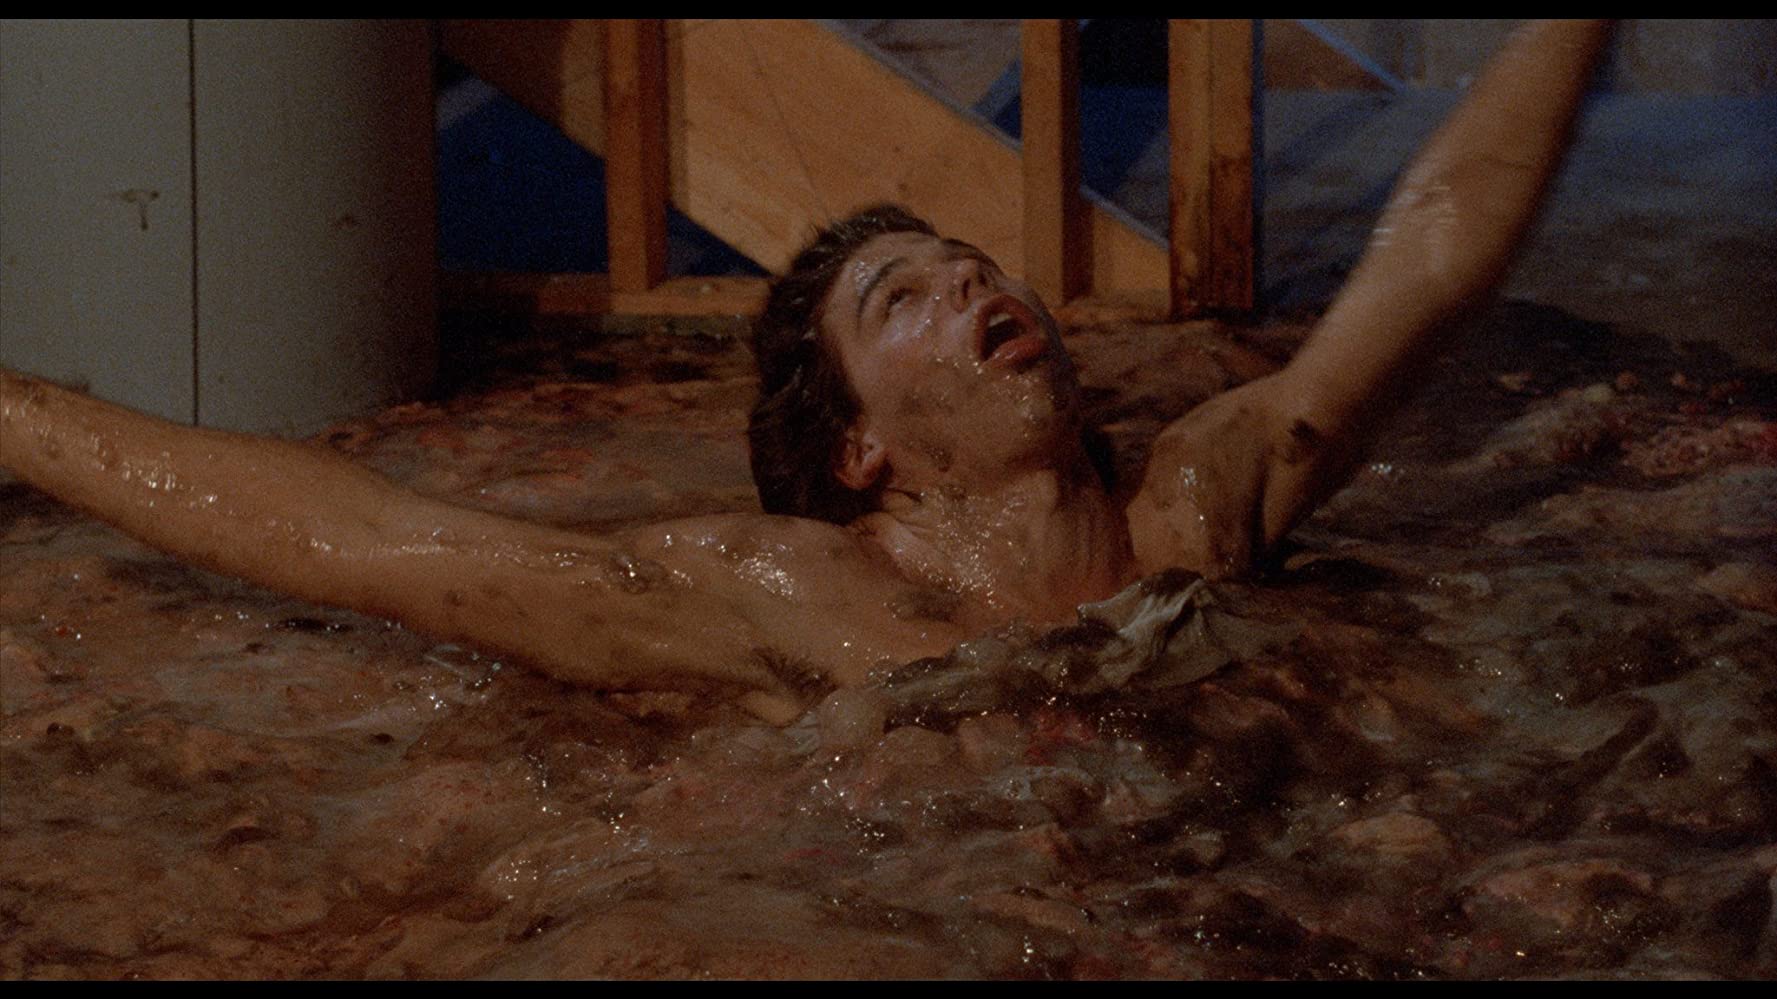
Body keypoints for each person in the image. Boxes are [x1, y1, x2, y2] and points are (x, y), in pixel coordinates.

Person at [0, 21, 1609, 713]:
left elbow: (1432, 253)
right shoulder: (795, 594)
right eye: (904, 296)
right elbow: (363, 542)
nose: (976, 277)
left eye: (971, 263)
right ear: (858, 452)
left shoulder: (1198, 503)